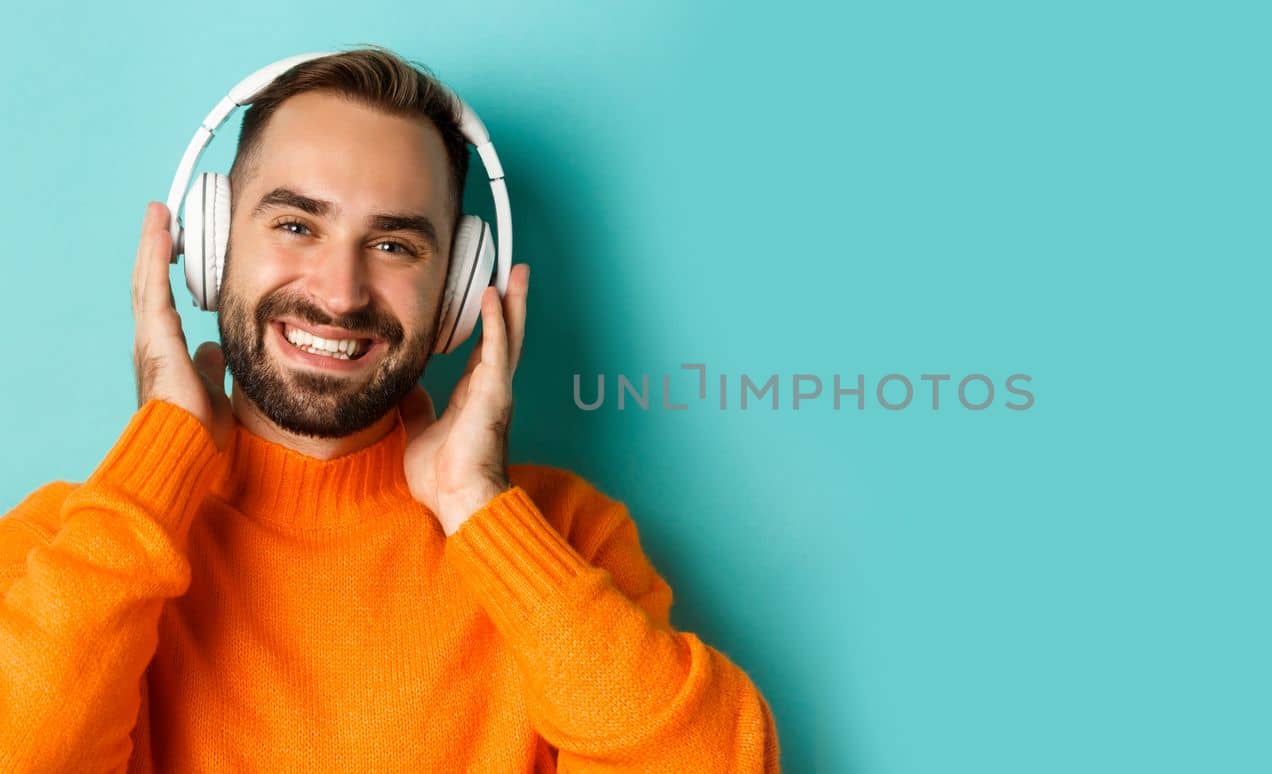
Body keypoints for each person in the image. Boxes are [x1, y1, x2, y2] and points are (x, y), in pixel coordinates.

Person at [0, 47, 779, 772]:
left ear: (459, 291)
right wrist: (158, 462)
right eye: (296, 224)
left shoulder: (563, 539)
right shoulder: (72, 546)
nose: (340, 293)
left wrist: (478, 508)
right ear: (207, 247)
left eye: (395, 245)